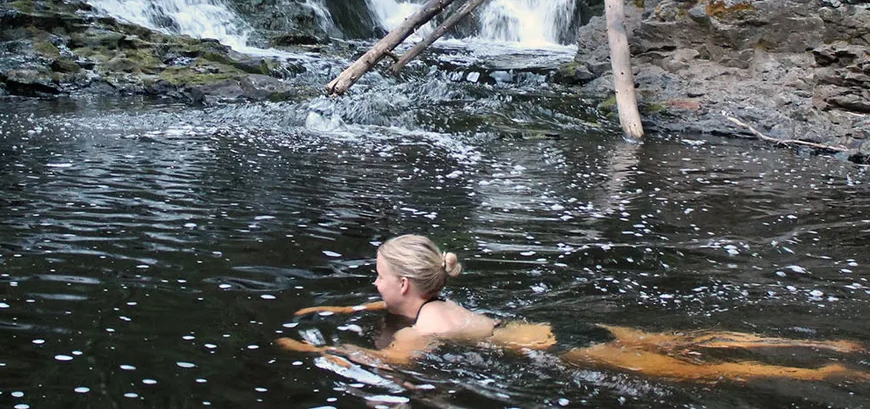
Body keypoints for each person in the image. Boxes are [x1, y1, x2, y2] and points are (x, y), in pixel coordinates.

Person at [277, 235, 868, 382]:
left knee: (694, 369)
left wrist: (318, 348)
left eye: (378, 276)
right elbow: (389, 310)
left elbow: (391, 365)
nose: (372, 281)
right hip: (559, 329)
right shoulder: (434, 301)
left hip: (568, 348)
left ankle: (815, 372)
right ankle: (831, 346)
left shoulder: (425, 326)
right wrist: (333, 305)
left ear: (405, 284)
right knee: (688, 340)